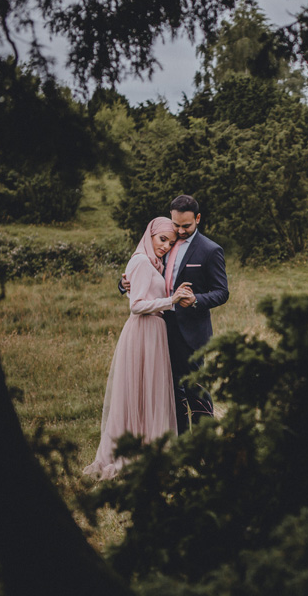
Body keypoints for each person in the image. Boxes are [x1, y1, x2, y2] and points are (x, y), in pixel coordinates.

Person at [85, 217, 193, 480]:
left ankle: (148, 448)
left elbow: (138, 291)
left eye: (170, 241)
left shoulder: (151, 262)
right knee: (140, 392)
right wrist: (172, 300)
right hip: (144, 331)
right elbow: (136, 305)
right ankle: (136, 453)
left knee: (146, 392)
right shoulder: (143, 261)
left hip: (152, 332)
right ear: (150, 236)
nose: (166, 246)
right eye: (162, 239)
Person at [122, 195, 230, 432]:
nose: (180, 231)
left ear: (198, 219)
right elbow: (142, 273)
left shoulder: (210, 250)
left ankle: (204, 445)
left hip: (191, 331)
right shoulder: (163, 243)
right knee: (170, 392)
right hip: (159, 327)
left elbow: (222, 292)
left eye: (186, 226)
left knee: (196, 389)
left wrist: (195, 300)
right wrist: (123, 284)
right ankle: (178, 444)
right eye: (176, 224)